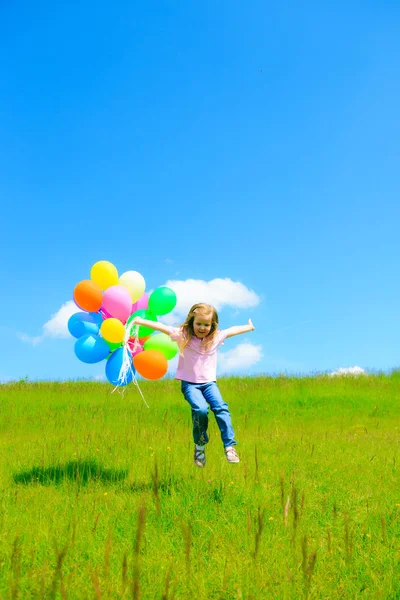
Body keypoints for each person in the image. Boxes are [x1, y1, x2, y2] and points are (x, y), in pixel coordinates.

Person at [132, 303, 255, 468]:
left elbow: (232, 330)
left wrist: (248, 327)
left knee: (221, 408)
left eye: (206, 324)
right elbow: (161, 327)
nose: (202, 328)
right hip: (190, 384)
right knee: (201, 410)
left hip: (209, 384)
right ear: (192, 322)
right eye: (199, 324)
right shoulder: (183, 335)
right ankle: (200, 446)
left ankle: (229, 446)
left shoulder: (215, 337)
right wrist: (140, 321)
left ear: (212, 325)